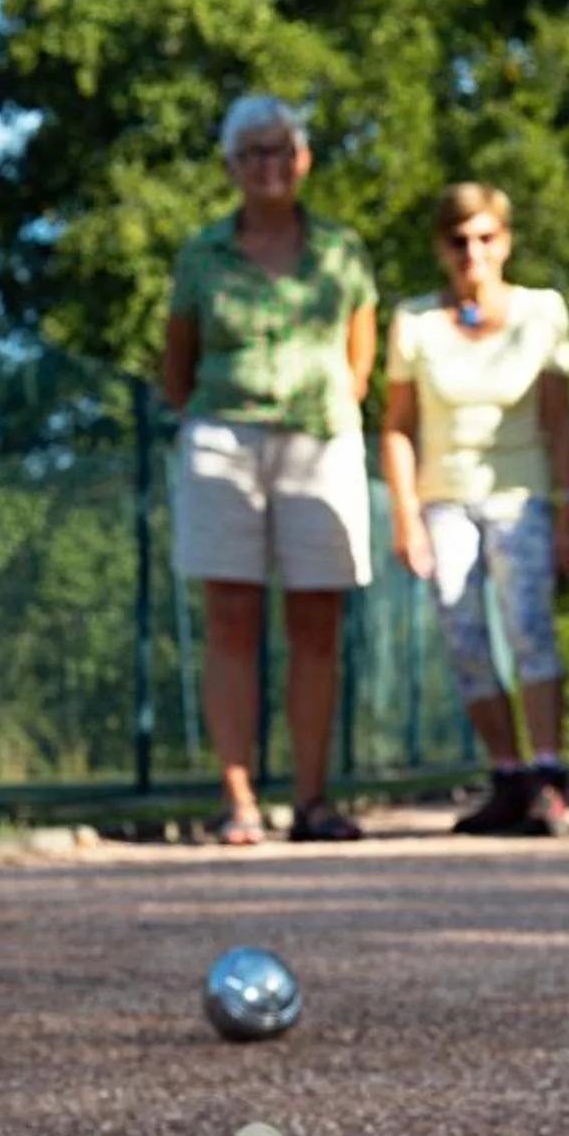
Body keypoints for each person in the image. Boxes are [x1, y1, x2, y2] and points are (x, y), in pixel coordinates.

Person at [159, 95, 379, 845]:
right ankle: (239, 798)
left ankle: (313, 799)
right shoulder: (201, 256)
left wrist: (317, 413)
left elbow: (360, 360)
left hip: (319, 439)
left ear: (304, 158)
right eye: (251, 151)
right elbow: (177, 367)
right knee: (232, 617)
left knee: (317, 622)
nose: (268, 164)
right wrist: (229, 416)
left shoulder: (343, 252)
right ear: (230, 165)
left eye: (280, 148)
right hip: (224, 438)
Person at [380, 183, 569, 837]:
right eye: (458, 240)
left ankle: (549, 775)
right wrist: (405, 515)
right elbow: (397, 427)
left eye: (485, 237)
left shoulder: (541, 312)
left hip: (520, 491)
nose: (472, 251)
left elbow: (561, 421)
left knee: (529, 626)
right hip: (444, 495)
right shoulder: (414, 323)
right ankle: (506, 773)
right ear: (441, 248)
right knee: (463, 634)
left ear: (505, 240)